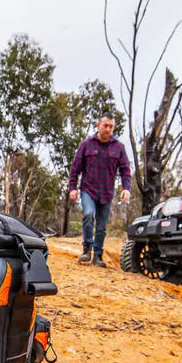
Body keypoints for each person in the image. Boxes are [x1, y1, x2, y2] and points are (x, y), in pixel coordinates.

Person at [68, 114, 131, 267]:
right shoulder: (86, 144)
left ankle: (98, 255)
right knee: (88, 215)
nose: (108, 129)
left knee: (102, 226)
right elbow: (75, 168)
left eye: (111, 126)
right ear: (98, 125)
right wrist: (72, 188)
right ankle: (86, 249)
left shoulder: (119, 147)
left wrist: (126, 188)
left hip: (107, 192)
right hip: (88, 190)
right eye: (105, 126)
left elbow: (125, 170)